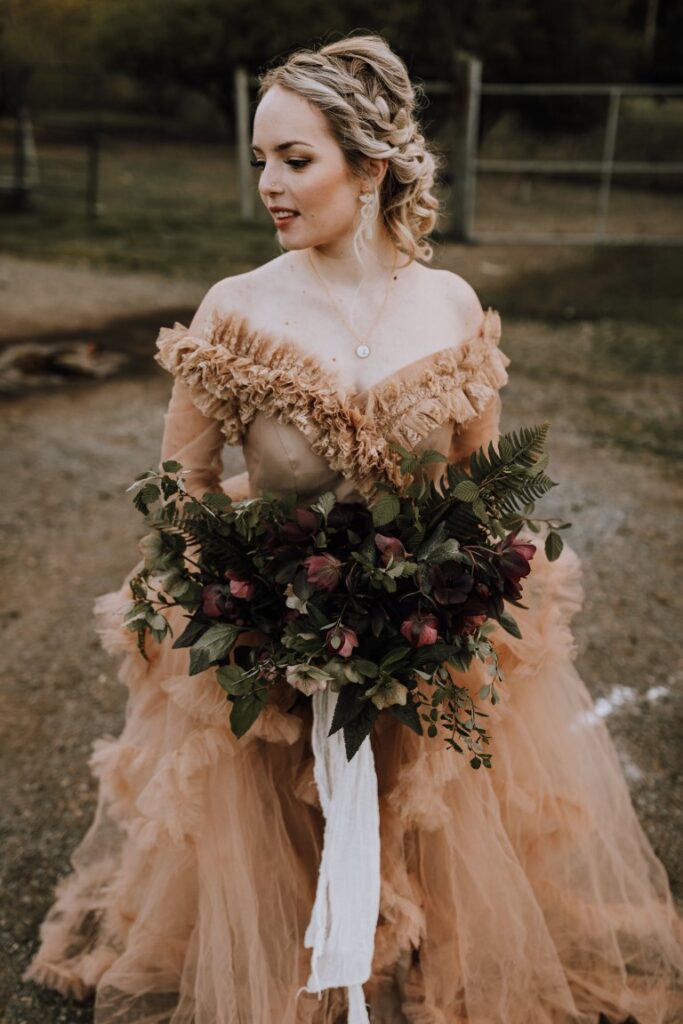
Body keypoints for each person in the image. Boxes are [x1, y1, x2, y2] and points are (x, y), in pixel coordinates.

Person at [23, 33, 683, 1024]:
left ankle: (404, 962)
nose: (268, 186)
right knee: (281, 848)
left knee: (424, 831)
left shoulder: (449, 305)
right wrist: (242, 610)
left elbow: (477, 488)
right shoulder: (235, 310)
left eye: (295, 159)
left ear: (370, 166)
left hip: (419, 647)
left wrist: (443, 605)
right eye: (260, 160)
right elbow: (184, 487)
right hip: (270, 654)